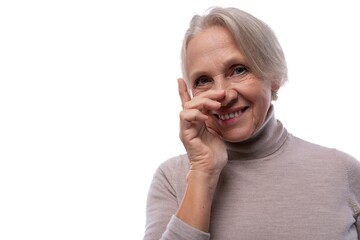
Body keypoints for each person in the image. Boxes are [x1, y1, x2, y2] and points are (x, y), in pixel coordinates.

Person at [143, 6, 360, 240]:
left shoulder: (342, 172)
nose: (222, 94)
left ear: (273, 76)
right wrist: (203, 172)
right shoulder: (172, 178)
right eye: (203, 80)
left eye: (238, 70)